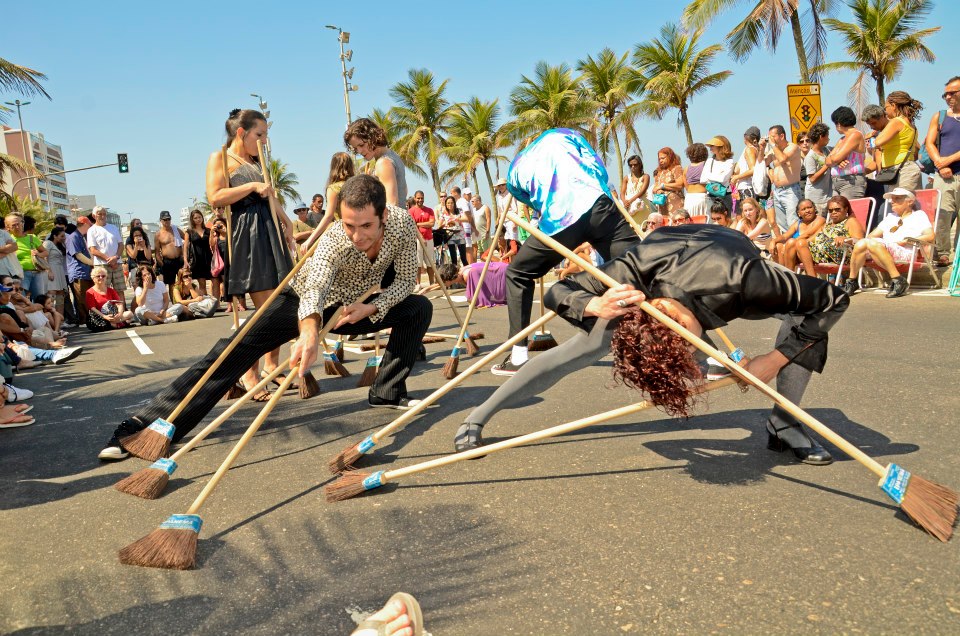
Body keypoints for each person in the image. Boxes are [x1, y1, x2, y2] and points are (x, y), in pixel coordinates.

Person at [454, 224, 848, 468]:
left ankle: (784, 421)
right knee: (586, 346)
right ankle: (478, 416)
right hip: (662, 257)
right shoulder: (632, 272)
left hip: (729, 250)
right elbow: (560, 289)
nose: (696, 355)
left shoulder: (752, 282)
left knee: (806, 322)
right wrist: (592, 303)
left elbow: (834, 300)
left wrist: (773, 360)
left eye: (691, 349)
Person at [98, 175, 431, 461]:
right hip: (302, 302)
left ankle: (387, 390)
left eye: (367, 226)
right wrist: (310, 332)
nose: (357, 236)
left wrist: (372, 306)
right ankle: (151, 423)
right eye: (349, 225)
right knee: (231, 350)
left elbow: (404, 281)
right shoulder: (333, 240)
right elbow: (314, 289)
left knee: (419, 308)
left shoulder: (402, 225)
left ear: (384, 214)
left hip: (354, 308)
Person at [494, 128, 640, 376]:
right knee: (642, 268)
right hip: (600, 207)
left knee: (518, 273)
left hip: (562, 218)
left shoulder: (518, 163)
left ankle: (518, 354)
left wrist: (541, 206)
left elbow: (520, 194)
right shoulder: (568, 134)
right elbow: (599, 169)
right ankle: (699, 349)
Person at [206, 108, 296, 392]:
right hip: (247, 233)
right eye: (261, 134)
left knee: (281, 303)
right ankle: (247, 372)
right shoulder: (220, 158)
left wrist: (287, 221)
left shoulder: (257, 160)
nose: (265, 140)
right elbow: (215, 196)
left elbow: (269, 194)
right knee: (266, 310)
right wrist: (253, 187)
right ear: (242, 133)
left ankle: (271, 365)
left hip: (269, 229)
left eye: (266, 134)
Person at [843, 187, 933, 298]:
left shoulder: (919, 215)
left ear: (910, 201)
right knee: (861, 244)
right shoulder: (890, 217)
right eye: (891, 199)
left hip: (906, 251)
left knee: (872, 243)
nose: (892, 201)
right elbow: (871, 236)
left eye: (897, 198)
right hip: (882, 249)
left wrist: (908, 240)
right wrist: (856, 240)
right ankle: (852, 281)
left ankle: (897, 279)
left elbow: (930, 236)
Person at [925, 76, 960, 266]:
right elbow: (929, 142)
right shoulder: (940, 115)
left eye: (952, 93)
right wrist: (940, 163)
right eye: (945, 93)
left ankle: (958, 256)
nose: (948, 97)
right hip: (943, 176)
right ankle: (943, 254)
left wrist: (948, 160)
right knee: (942, 216)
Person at [795, 195, 866, 276]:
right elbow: (810, 240)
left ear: (846, 209)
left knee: (799, 246)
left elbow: (861, 242)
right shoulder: (827, 225)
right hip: (820, 254)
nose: (834, 212)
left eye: (837, 209)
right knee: (798, 245)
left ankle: (811, 280)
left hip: (840, 255)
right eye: (830, 210)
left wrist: (846, 239)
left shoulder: (851, 221)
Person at [345, 117, 407, 207]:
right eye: (355, 148)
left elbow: (392, 204)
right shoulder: (392, 155)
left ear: (372, 137)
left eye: (361, 145)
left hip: (390, 219)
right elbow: (404, 190)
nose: (359, 151)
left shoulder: (383, 163)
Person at [873, 91, 924, 191]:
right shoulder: (910, 123)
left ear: (893, 105)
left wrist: (876, 135)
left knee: (901, 204)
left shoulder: (897, 121)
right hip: (904, 169)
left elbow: (878, 142)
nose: (885, 111)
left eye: (886, 107)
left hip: (902, 171)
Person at [761, 125, 802, 232]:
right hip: (777, 190)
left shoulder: (792, 147)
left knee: (793, 222)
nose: (770, 139)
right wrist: (761, 149)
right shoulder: (774, 150)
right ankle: (787, 246)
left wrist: (773, 145)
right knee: (782, 224)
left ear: (782, 136)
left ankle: (796, 245)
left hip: (791, 190)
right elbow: (762, 163)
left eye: (773, 136)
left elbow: (783, 159)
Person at [768, 199, 824, 270]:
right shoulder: (798, 223)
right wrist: (773, 241)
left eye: (809, 207)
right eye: (803, 209)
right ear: (799, 213)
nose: (807, 211)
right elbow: (785, 236)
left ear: (814, 208)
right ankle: (783, 273)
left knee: (791, 242)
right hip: (795, 253)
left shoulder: (820, 219)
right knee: (778, 246)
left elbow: (808, 234)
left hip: (810, 252)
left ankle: (789, 274)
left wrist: (787, 245)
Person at [827, 106, 868, 201]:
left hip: (851, 182)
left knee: (850, 213)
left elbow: (834, 158)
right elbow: (827, 161)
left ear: (839, 123)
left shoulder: (855, 134)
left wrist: (836, 160)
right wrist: (837, 161)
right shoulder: (842, 139)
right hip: (838, 181)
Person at [86, 206, 125, 301]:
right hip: (101, 265)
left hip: (117, 263)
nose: (102, 216)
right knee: (103, 290)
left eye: (104, 214)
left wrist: (116, 257)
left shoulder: (113, 228)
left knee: (120, 290)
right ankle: (106, 314)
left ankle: (121, 312)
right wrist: (109, 260)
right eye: (100, 214)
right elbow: (93, 250)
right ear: (94, 216)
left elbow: (121, 244)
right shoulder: (91, 230)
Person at [6, 214, 48, 299]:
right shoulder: (8, 240)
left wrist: (38, 254)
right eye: (14, 225)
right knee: (21, 299)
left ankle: (39, 312)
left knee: (39, 298)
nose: (17, 227)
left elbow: (46, 252)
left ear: (23, 223)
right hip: (20, 275)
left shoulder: (32, 238)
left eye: (18, 224)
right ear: (8, 228)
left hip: (36, 272)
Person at [437, 260, 507, 308]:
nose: (441, 284)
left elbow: (479, 295)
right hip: (499, 269)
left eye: (443, 282)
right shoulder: (460, 274)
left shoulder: (467, 275)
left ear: (447, 278)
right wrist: (427, 289)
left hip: (500, 272)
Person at [85, 266, 135, 331]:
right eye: (98, 276)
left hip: (113, 315)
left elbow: (119, 303)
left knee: (129, 314)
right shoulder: (89, 292)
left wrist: (119, 314)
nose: (101, 278)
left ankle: (114, 323)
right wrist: (105, 317)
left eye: (103, 276)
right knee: (99, 324)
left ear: (106, 278)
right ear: (93, 278)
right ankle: (118, 323)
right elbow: (92, 308)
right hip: (99, 317)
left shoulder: (111, 290)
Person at [66, 216, 95, 324]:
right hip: (79, 272)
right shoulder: (73, 237)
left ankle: (89, 318)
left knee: (88, 297)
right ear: (85, 224)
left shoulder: (81, 237)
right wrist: (93, 263)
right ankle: (85, 319)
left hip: (86, 271)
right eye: (90, 226)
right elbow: (78, 255)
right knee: (82, 298)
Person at [407, 190, 435, 287]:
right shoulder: (411, 211)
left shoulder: (429, 210)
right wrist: (421, 237)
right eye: (418, 198)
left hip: (429, 239)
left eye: (422, 198)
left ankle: (432, 282)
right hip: (417, 240)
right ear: (415, 198)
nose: (420, 200)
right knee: (418, 263)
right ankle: (418, 284)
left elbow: (432, 223)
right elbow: (412, 226)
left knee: (430, 262)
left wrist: (418, 224)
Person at [154, 210, 186, 296]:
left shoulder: (176, 229)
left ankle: (184, 301)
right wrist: (162, 264)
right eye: (165, 220)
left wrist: (185, 256)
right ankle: (175, 304)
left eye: (168, 219)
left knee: (183, 281)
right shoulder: (158, 235)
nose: (167, 221)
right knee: (171, 284)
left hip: (179, 259)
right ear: (160, 221)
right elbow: (157, 252)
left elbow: (187, 238)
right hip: (167, 262)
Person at [804, 123, 833, 215]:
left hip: (827, 197)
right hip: (816, 199)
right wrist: (826, 165)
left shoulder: (826, 150)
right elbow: (812, 178)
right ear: (821, 136)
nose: (828, 138)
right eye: (827, 136)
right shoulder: (810, 156)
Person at [702, 135, 735, 212]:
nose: (710, 148)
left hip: (725, 195)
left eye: (713, 145)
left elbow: (723, 178)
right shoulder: (709, 161)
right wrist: (719, 175)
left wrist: (709, 176)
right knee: (711, 221)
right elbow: (703, 179)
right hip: (711, 196)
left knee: (726, 221)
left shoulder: (729, 161)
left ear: (721, 147)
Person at [42, 227, 69, 320]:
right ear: (54, 236)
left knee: (60, 296)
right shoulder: (48, 243)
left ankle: (60, 320)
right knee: (51, 295)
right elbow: (44, 257)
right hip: (51, 270)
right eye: (62, 236)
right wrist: (49, 271)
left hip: (60, 271)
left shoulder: (60, 245)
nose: (64, 237)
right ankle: (50, 320)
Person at [184, 209, 213, 295]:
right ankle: (206, 304)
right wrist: (185, 260)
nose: (198, 219)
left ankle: (216, 302)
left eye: (199, 217)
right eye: (195, 218)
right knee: (202, 284)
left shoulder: (208, 230)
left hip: (209, 259)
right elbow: (185, 247)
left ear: (202, 218)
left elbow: (213, 244)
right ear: (192, 220)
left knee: (215, 281)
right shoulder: (189, 232)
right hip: (197, 261)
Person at [730, 126, 762, 201]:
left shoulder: (749, 149)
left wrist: (736, 177)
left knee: (747, 212)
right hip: (747, 188)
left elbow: (753, 170)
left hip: (747, 188)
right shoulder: (754, 149)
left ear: (746, 137)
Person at [650, 147, 684, 215]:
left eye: (663, 158)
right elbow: (655, 188)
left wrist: (663, 186)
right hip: (662, 206)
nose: (660, 161)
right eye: (659, 159)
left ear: (670, 157)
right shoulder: (659, 171)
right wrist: (658, 190)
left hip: (675, 204)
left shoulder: (677, 168)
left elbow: (680, 185)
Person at [621, 154, 651, 225]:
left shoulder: (645, 177)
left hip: (642, 206)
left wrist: (630, 201)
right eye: (630, 165)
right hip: (629, 207)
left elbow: (642, 192)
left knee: (642, 228)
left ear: (640, 165)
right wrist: (624, 201)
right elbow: (622, 193)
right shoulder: (626, 178)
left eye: (635, 164)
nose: (633, 167)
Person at [682, 143, 709, 218]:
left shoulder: (686, 169)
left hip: (689, 198)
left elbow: (686, 186)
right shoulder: (706, 165)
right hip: (703, 198)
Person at [439, 196, 467, 266]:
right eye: (448, 203)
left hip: (460, 235)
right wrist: (446, 224)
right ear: (445, 204)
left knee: (463, 257)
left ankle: (468, 273)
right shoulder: (443, 213)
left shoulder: (459, 210)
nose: (450, 205)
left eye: (451, 203)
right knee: (453, 258)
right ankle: (455, 275)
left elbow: (466, 219)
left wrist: (457, 219)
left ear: (454, 203)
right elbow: (439, 225)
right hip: (450, 237)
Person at [125, 223, 153, 289]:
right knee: (138, 291)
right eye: (136, 236)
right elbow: (133, 256)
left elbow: (148, 257)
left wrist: (144, 246)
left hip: (146, 267)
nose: (138, 237)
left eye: (140, 235)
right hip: (135, 269)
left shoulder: (146, 243)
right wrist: (136, 245)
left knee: (149, 289)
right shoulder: (129, 245)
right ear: (132, 237)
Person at [471, 193, 492, 261]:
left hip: (484, 233)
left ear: (478, 201)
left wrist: (487, 231)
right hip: (477, 234)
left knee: (487, 252)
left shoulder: (485, 208)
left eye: (473, 201)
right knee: (481, 252)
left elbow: (488, 219)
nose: (472, 203)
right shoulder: (473, 210)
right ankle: (483, 266)